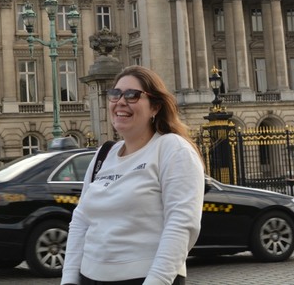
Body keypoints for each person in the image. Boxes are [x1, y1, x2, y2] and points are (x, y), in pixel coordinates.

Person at [61, 66, 205, 285]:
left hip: (143, 278)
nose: (120, 101)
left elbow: (181, 224)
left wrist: (157, 281)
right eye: (115, 94)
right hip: (89, 277)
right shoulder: (104, 154)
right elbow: (80, 221)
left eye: (132, 95)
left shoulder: (172, 148)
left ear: (155, 107)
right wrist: (69, 279)